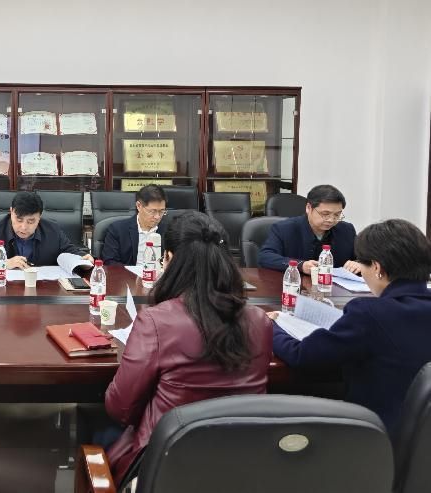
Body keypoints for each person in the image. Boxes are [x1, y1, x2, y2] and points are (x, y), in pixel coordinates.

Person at [103, 211, 273, 485]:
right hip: (241, 463)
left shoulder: (157, 321)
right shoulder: (259, 320)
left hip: (166, 465)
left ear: (169, 258)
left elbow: (120, 408)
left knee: (97, 428)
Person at [271, 219, 431, 432]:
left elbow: (303, 355)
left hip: (377, 434)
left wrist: (274, 325)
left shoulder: (369, 314)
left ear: (377, 267)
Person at [0, 191, 92, 269]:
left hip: (42, 289)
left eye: (31, 221)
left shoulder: (53, 229)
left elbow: (71, 251)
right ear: (11, 212)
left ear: (39, 217)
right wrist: (3, 263)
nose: (24, 227)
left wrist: (84, 258)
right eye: (19, 220)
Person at [259, 184, 362, 274]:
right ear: (309, 208)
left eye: (337, 215)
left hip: (334, 288)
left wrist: (360, 264)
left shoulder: (346, 230)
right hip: (296, 285)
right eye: (325, 214)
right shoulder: (284, 229)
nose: (331, 220)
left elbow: (365, 258)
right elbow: (265, 257)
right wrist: (300, 265)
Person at [101, 184, 169, 265]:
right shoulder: (117, 230)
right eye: (152, 211)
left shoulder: (169, 231)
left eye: (162, 211)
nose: (157, 216)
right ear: (139, 206)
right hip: (127, 273)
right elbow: (110, 262)